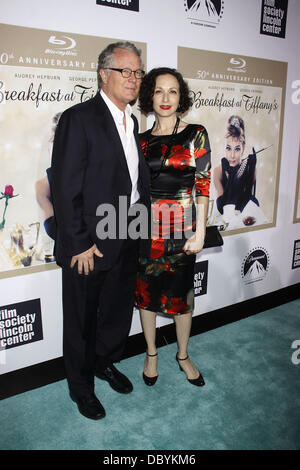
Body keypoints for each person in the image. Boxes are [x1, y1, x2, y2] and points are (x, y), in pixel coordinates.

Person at [51, 42, 150, 420]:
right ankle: (80, 387)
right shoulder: (79, 118)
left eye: (138, 72)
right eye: (125, 71)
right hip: (88, 245)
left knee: (114, 312)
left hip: (126, 234)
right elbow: (65, 186)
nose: (133, 78)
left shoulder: (132, 121)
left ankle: (103, 361)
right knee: (80, 318)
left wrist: (139, 232)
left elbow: (133, 183)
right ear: (102, 74)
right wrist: (78, 242)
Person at [135, 67, 211, 387]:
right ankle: (151, 353)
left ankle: (182, 355)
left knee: (182, 298)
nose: (165, 98)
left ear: (182, 97)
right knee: (145, 295)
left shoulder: (197, 133)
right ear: (149, 96)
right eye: (158, 91)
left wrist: (201, 230)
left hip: (183, 230)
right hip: (145, 230)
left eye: (173, 91)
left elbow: (203, 183)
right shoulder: (138, 141)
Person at [213, 115, 259, 215]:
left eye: (237, 149)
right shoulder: (218, 171)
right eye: (228, 148)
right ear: (224, 147)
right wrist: (230, 177)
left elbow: (249, 204)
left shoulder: (250, 168)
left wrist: (250, 173)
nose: (232, 155)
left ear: (243, 148)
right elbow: (222, 208)